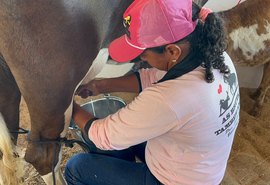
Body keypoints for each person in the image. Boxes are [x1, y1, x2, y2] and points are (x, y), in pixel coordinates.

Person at [64, 0, 240, 184]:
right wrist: (100, 86)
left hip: (173, 180)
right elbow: (152, 77)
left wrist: (68, 106)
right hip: (196, 164)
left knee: (77, 167)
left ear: (172, 51)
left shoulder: (170, 98)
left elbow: (103, 136)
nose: (141, 58)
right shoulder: (216, 57)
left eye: (143, 53)